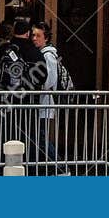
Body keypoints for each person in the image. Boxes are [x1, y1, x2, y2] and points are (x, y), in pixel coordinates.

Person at [32, 21, 63, 165]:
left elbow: (49, 80)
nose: (34, 38)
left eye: (38, 36)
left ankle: (59, 166)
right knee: (39, 136)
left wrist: (36, 86)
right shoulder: (40, 54)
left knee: (41, 137)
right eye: (33, 35)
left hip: (44, 102)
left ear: (46, 38)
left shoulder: (48, 56)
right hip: (41, 103)